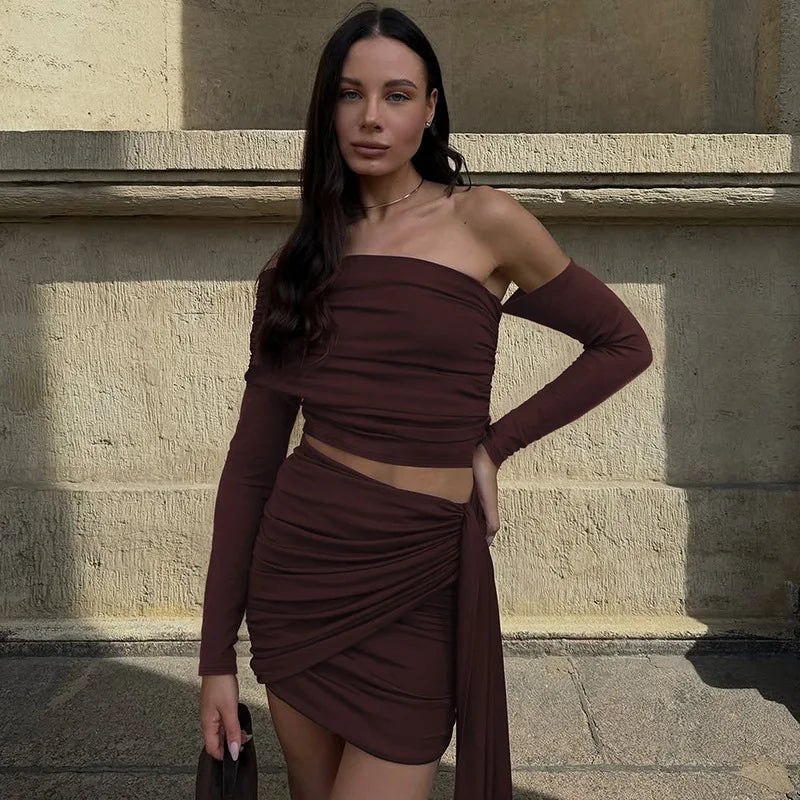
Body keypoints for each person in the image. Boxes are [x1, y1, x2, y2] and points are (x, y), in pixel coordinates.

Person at [198, 5, 653, 800]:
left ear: (432, 106)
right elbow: (251, 466)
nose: (371, 117)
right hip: (302, 572)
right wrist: (213, 661)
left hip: (420, 577)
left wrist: (494, 445)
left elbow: (621, 343)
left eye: (397, 95)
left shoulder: (485, 219)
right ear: (327, 107)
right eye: (350, 93)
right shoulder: (299, 261)